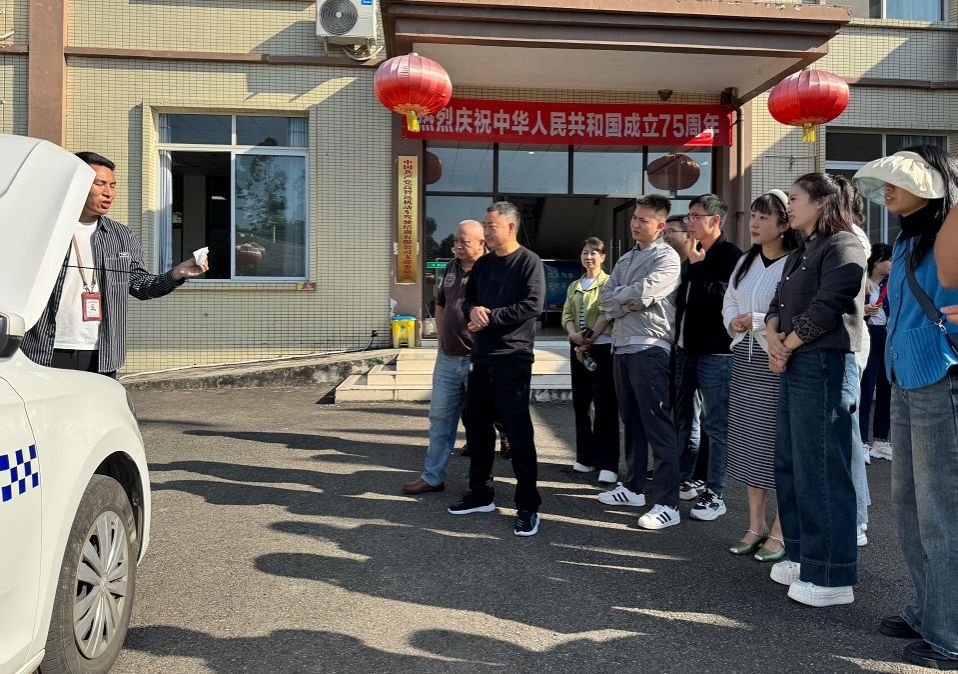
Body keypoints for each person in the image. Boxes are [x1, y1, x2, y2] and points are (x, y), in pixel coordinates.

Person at [854, 146, 958, 669]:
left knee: (942, 510)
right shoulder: (906, 237)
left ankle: (951, 633)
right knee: (910, 505)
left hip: (942, 376)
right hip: (907, 375)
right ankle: (929, 610)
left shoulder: (948, 231)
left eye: (900, 179)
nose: (888, 189)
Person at [765, 172, 866, 608]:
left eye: (794, 198)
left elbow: (830, 305)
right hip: (796, 361)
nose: (788, 205)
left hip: (824, 362)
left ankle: (831, 575)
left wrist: (785, 344)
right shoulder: (802, 249)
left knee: (822, 468)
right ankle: (803, 556)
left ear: (822, 201)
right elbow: (777, 303)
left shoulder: (844, 244)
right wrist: (774, 336)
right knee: (790, 462)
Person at [20, 152, 208, 376]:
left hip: (102, 354)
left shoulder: (121, 235)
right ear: (76, 183)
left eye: (112, 185)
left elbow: (140, 285)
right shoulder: (42, 228)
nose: (108, 192)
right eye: (100, 184)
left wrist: (177, 273)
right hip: (43, 349)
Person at [450, 202, 546, 538]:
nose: (486, 231)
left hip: (513, 357)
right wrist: (474, 311)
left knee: (518, 433)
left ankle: (528, 505)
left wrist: (491, 317)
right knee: (476, 427)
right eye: (484, 224)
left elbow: (533, 305)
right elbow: (469, 300)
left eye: (491, 225)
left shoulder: (529, 262)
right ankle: (480, 494)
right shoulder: (483, 264)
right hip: (482, 357)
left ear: (510, 227)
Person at [592, 195, 683, 530]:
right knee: (631, 421)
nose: (635, 224)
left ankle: (668, 503)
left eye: (643, 220)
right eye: (634, 218)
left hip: (650, 347)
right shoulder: (626, 258)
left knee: (658, 424)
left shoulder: (667, 258)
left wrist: (625, 300)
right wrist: (626, 301)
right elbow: (606, 300)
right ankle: (633, 488)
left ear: (660, 225)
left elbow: (643, 294)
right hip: (622, 347)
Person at [722, 190, 796, 563]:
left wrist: (753, 320)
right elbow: (729, 301)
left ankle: (781, 530)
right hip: (745, 360)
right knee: (749, 442)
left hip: (777, 363)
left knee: (777, 445)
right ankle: (754, 525)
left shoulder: (795, 262)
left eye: (764, 217)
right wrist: (734, 321)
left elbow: (792, 312)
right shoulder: (746, 260)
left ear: (784, 225)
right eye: (753, 215)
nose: (754, 223)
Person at [402, 220, 486, 495]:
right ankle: (432, 477)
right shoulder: (451, 267)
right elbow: (440, 303)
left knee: (479, 423)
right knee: (439, 418)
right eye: (455, 241)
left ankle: (478, 481)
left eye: (464, 242)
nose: (458, 246)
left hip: (477, 359)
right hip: (448, 357)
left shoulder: (491, 269)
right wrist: (440, 338)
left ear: (481, 243)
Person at [673, 194, 743, 521]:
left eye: (694, 216)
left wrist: (699, 267)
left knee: (717, 424)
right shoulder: (694, 253)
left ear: (714, 220)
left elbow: (726, 299)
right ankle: (688, 478)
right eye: (688, 216)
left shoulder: (731, 256)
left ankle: (716, 493)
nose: (688, 222)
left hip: (717, 353)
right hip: (687, 350)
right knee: (686, 418)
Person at [562, 237, 618, 484]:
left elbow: (609, 313)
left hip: (602, 348)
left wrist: (590, 339)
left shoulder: (610, 283)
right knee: (581, 403)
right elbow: (566, 314)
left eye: (594, 252)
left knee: (606, 405)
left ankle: (608, 463)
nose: (589, 257)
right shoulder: (574, 285)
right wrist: (574, 335)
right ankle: (585, 457)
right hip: (578, 348)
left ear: (603, 257)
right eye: (585, 252)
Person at [664, 214, 709, 496]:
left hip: (700, 351)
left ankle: (695, 475)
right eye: (664, 233)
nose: (667, 237)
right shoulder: (676, 267)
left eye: (672, 231)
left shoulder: (700, 264)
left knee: (696, 417)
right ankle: (678, 468)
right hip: (677, 349)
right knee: (680, 414)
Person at [860, 243, 893, 461]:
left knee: (885, 389)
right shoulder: (862, 283)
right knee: (865, 388)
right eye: (888, 259)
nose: (891, 264)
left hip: (886, 337)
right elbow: (847, 307)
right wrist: (863, 309)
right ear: (876, 261)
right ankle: (862, 442)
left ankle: (880, 441)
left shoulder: (891, 284)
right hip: (869, 335)